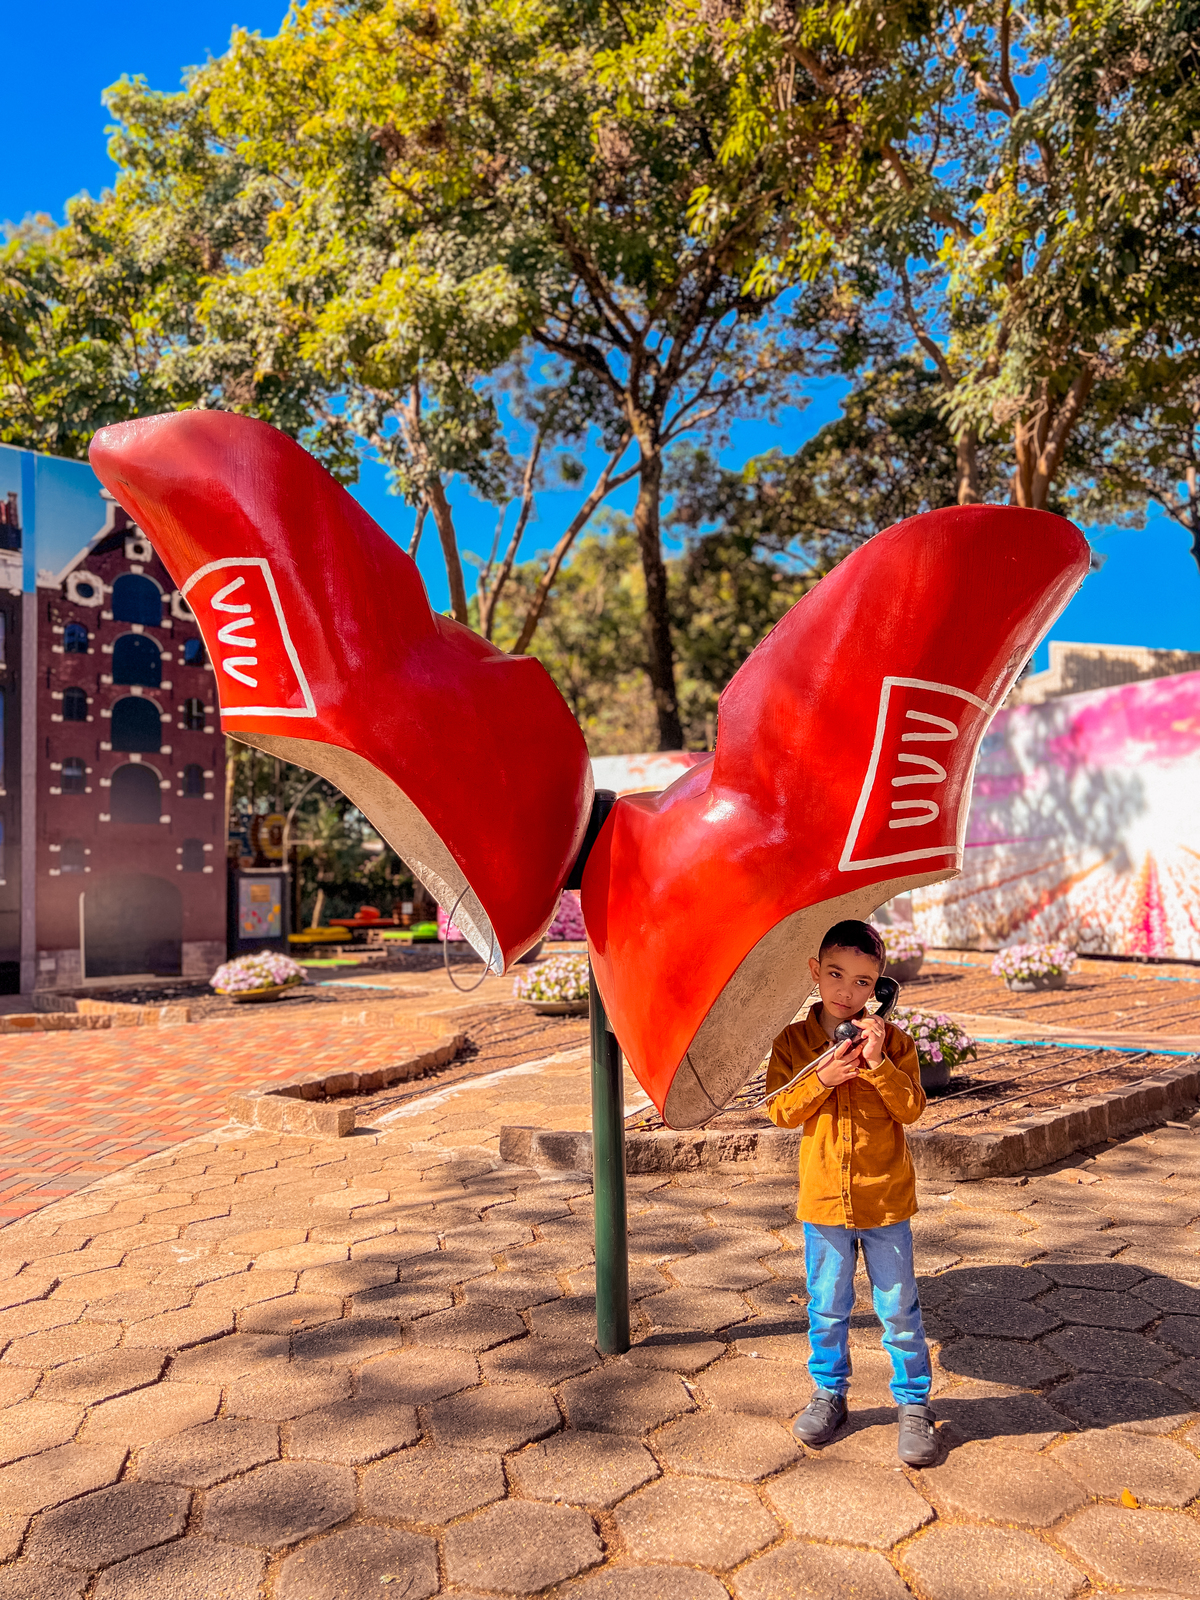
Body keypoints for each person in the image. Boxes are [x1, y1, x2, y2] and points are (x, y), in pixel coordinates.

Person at [764, 918, 937, 1466]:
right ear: (815, 972)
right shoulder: (793, 1043)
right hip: (823, 1202)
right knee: (828, 1305)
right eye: (835, 974)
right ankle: (830, 1393)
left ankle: (913, 1403)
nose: (846, 991)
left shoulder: (896, 1043)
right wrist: (824, 1079)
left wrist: (878, 1065)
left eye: (863, 982)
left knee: (898, 1309)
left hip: (884, 1198)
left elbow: (911, 1108)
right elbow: (780, 1111)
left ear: (880, 988)